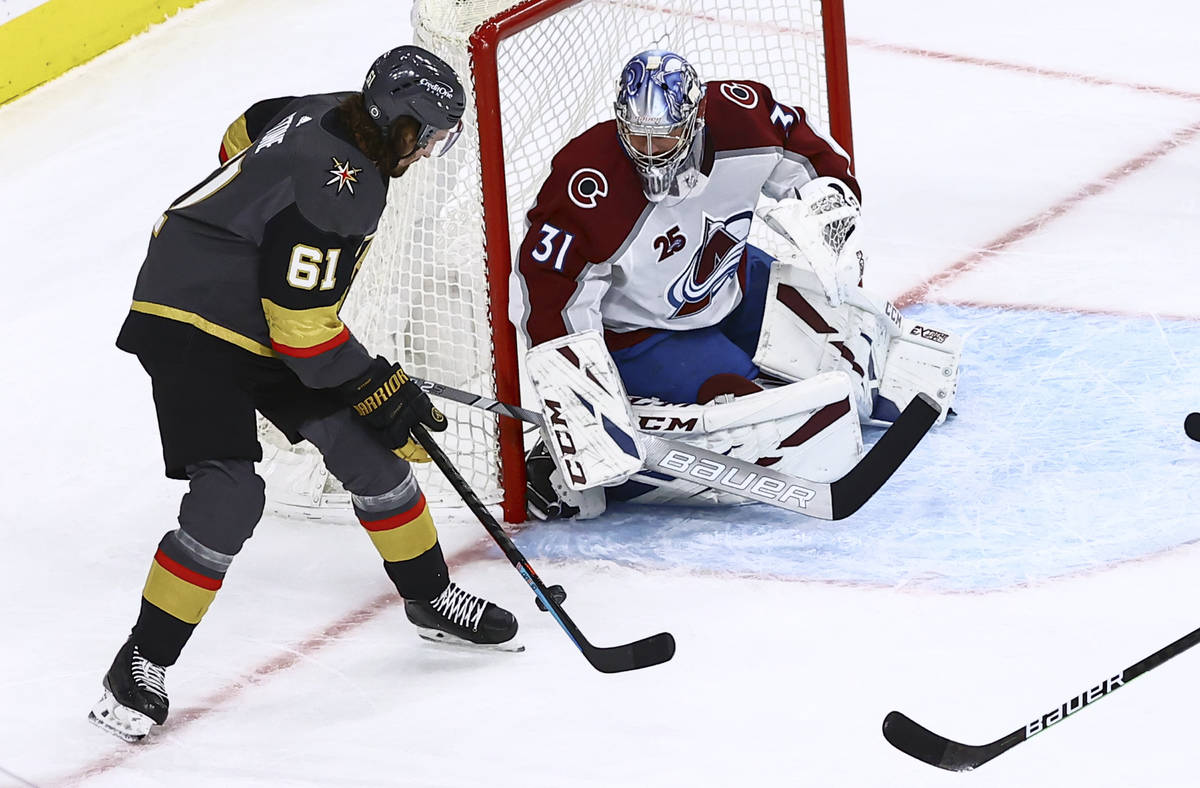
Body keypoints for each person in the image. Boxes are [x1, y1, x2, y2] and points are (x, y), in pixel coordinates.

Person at [89, 46, 519, 744]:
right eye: (432, 136)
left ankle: (429, 597)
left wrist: (243, 213)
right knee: (230, 495)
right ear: (402, 123)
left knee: (376, 462)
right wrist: (377, 387)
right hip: (191, 315)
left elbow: (242, 132)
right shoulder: (343, 186)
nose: (430, 151)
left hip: (257, 311)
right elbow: (304, 335)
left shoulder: (326, 111)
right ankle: (139, 662)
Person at [513, 49, 961, 520]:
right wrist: (581, 402)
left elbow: (817, 160)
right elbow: (546, 292)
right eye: (637, 136)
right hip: (644, 334)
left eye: (663, 136)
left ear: (696, 118)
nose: (649, 151)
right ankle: (566, 466)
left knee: (861, 361)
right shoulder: (587, 183)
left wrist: (826, 217)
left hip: (731, 278)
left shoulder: (743, 118)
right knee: (767, 431)